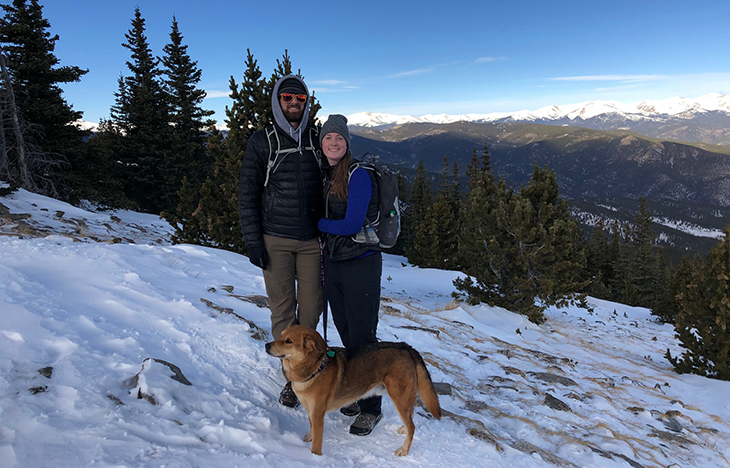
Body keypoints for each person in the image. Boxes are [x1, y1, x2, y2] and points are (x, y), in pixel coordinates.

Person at [239, 75, 324, 408]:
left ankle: (311, 366)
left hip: (312, 239)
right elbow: (248, 195)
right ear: (278, 100)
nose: (294, 103)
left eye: (300, 99)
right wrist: (253, 241)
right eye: (288, 98)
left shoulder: (317, 139)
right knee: (282, 311)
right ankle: (292, 378)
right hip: (274, 238)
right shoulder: (262, 141)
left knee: (313, 307)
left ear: (306, 103)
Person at [318, 114, 383, 436]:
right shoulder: (326, 173)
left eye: (339, 139)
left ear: (347, 144)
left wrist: (318, 224)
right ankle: (358, 394)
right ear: (321, 142)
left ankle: (371, 408)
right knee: (345, 331)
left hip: (361, 262)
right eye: (328, 138)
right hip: (335, 262)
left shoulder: (357, 175)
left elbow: (351, 223)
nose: (333, 143)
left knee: (363, 336)